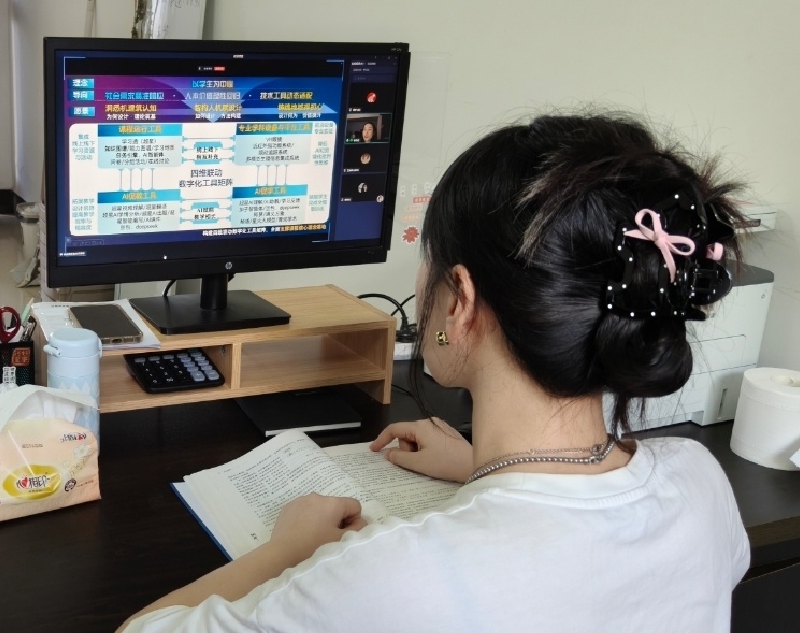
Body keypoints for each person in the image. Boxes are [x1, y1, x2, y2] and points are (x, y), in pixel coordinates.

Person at [118, 112, 750, 632]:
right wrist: (480, 467)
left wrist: (287, 550)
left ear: (460, 302)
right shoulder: (699, 482)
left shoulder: (396, 576)